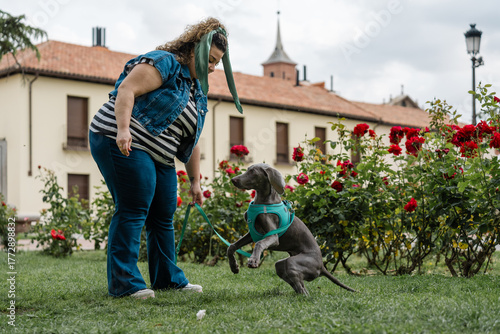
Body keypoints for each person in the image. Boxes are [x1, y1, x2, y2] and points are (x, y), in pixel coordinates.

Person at [89, 17, 242, 299]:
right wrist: (123, 129)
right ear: (195, 47)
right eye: (209, 59)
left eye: (217, 63)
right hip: (119, 137)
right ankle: (125, 284)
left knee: (163, 212)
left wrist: (195, 182)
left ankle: (168, 279)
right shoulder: (166, 63)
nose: (211, 67)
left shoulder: (199, 93)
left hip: (160, 154)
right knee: (134, 206)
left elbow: (192, 141)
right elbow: (126, 90)